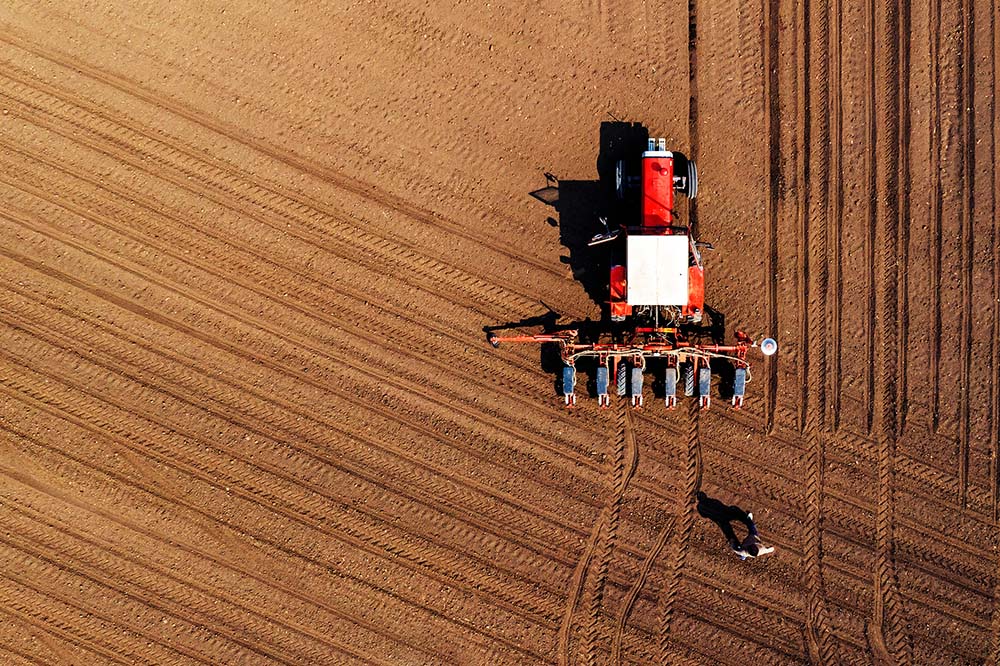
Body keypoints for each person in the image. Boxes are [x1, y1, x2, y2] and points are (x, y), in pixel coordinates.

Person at [696, 492, 775, 560]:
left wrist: (732, 541)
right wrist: (771, 549)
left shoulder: (742, 551)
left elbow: (734, 546)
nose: (754, 546)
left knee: (729, 532)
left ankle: (743, 557)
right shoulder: (761, 548)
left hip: (741, 547)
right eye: (755, 546)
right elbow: (768, 549)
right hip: (753, 537)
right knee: (751, 525)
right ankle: (747, 519)